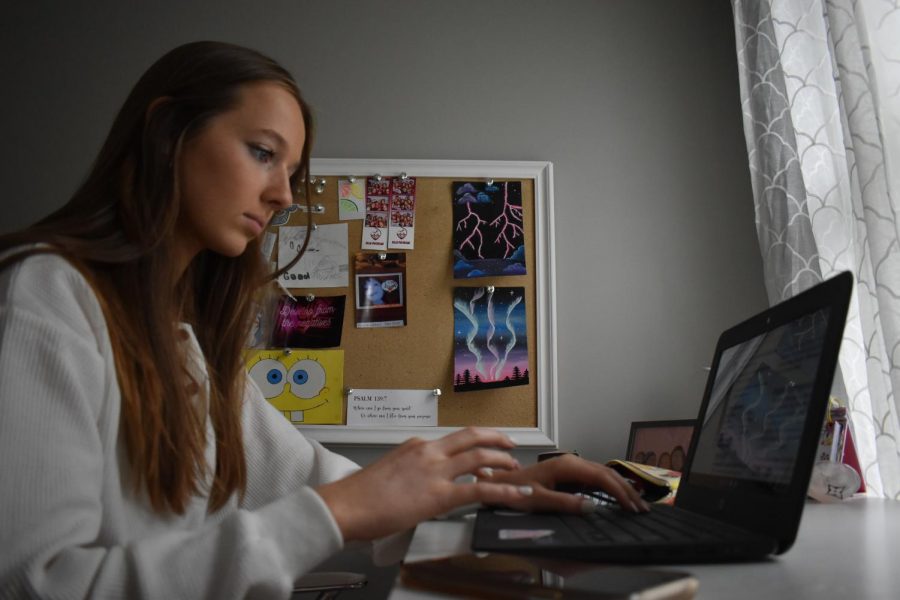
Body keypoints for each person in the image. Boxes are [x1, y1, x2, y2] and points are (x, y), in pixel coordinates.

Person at [0, 41, 648, 599]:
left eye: (290, 169)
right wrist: (335, 512)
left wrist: (496, 490)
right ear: (168, 132)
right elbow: (37, 583)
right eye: (262, 152)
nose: (283, 193)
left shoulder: (186, 344)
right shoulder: (46, 294)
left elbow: (318, 477)